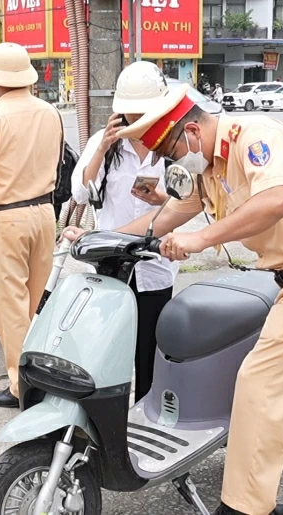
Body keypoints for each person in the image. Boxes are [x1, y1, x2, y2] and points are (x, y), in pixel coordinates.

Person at [65, 63, 283, 515]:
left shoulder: (255, 135)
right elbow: (163, 218)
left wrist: (202, 239)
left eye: (169, 152)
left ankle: (245, 508)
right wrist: (103, 240)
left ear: (191, 130)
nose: (172, 163)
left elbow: (276, 199)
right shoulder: (207, 168)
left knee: (259, 385)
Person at [0, 42, 62, 408]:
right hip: (45, 215)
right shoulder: (51, 113)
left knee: (10, 308)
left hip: (7, 217)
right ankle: (43, 378)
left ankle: (22, 387)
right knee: (35, 304)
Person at [70, 60, 179, 403]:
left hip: (155, 267)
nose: (137, 120)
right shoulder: (108, 144)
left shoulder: (172, 146)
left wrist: (160, 198)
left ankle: (146, 412)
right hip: (112, 263)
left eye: (144, 112)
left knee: (149, 349)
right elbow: (80, 193)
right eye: (131, 113)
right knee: (110, 349)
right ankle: (110, 418)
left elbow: (190, 201)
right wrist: (102, 148)